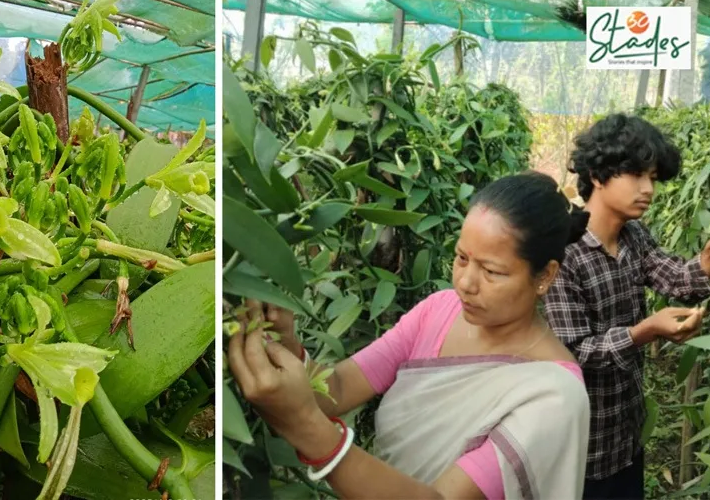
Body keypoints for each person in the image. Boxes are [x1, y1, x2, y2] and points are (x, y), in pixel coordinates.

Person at [228, 172, 592, 499]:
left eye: (492, 271)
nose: (465, 282)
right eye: (462, 258)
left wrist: (308, 428)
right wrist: (287, 345)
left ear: (545, 276)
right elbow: (337, 389)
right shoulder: (438, 312)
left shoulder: (553, 396)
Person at [544, 113, 710, 500]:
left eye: (654, 178)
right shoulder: (564, 255)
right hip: (581, 444)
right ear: (597, 175)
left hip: (625, 429)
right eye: (637, 175)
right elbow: (572, 353)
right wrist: (644, 332)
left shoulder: (633, 235)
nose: (648, 189)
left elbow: (674, 278)